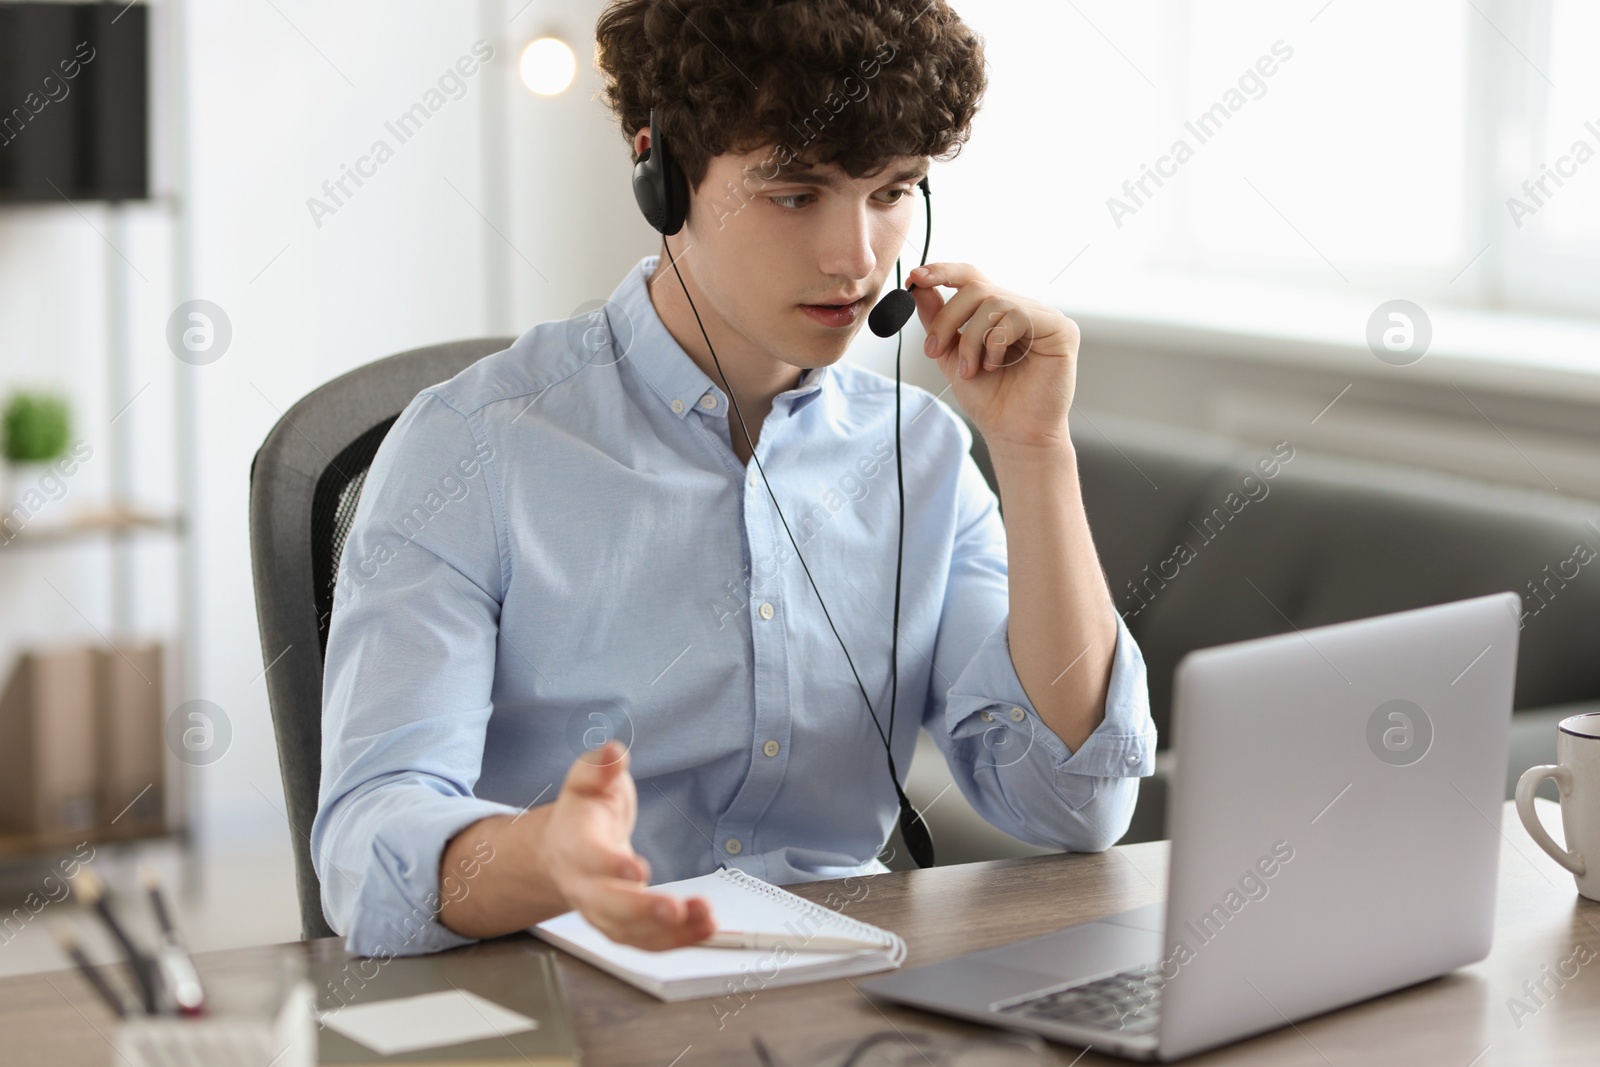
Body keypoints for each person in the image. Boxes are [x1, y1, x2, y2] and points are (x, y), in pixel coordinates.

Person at [312, 0, 1156, 960]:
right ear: (660, 174)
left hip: (844, 992)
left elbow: (1076, 803)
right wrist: (548, 855)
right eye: (796, 194)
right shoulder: (474, 446)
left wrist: (1036, 451)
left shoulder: (919, 448)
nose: (858, 259)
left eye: (891, 192)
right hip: (570, 995)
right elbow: (364, 856)